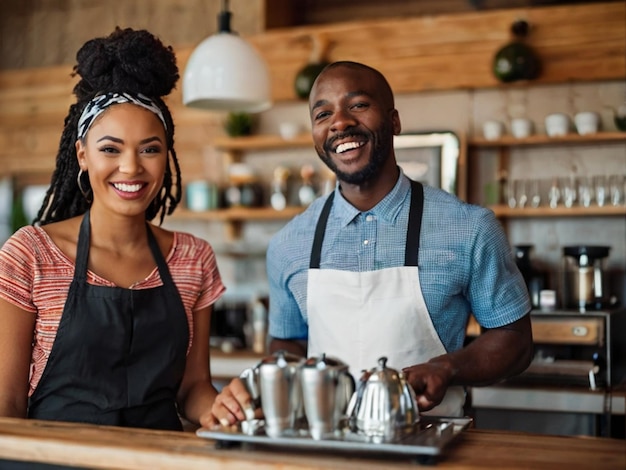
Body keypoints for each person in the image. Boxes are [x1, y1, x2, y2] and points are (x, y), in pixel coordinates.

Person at [210, 61, 533, 426]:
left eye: (359, 105)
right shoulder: (288, 244)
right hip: (321, 449)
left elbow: (515, 340)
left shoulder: (470, 228)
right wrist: (266, 378)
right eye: (323, 113)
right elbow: (288, 344)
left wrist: (448, 368)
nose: (340, 122)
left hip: (430, 445)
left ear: (394, 121)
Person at [0, 28, 225, 432]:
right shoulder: (30, 254)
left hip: (158, 460)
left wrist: (226, 411)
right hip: (50, 462)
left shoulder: (194, 258)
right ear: (82, 154)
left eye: (150, 149)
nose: (131, 167)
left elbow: (193, 389)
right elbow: (6, 401)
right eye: (110, 148)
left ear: (166, 155)